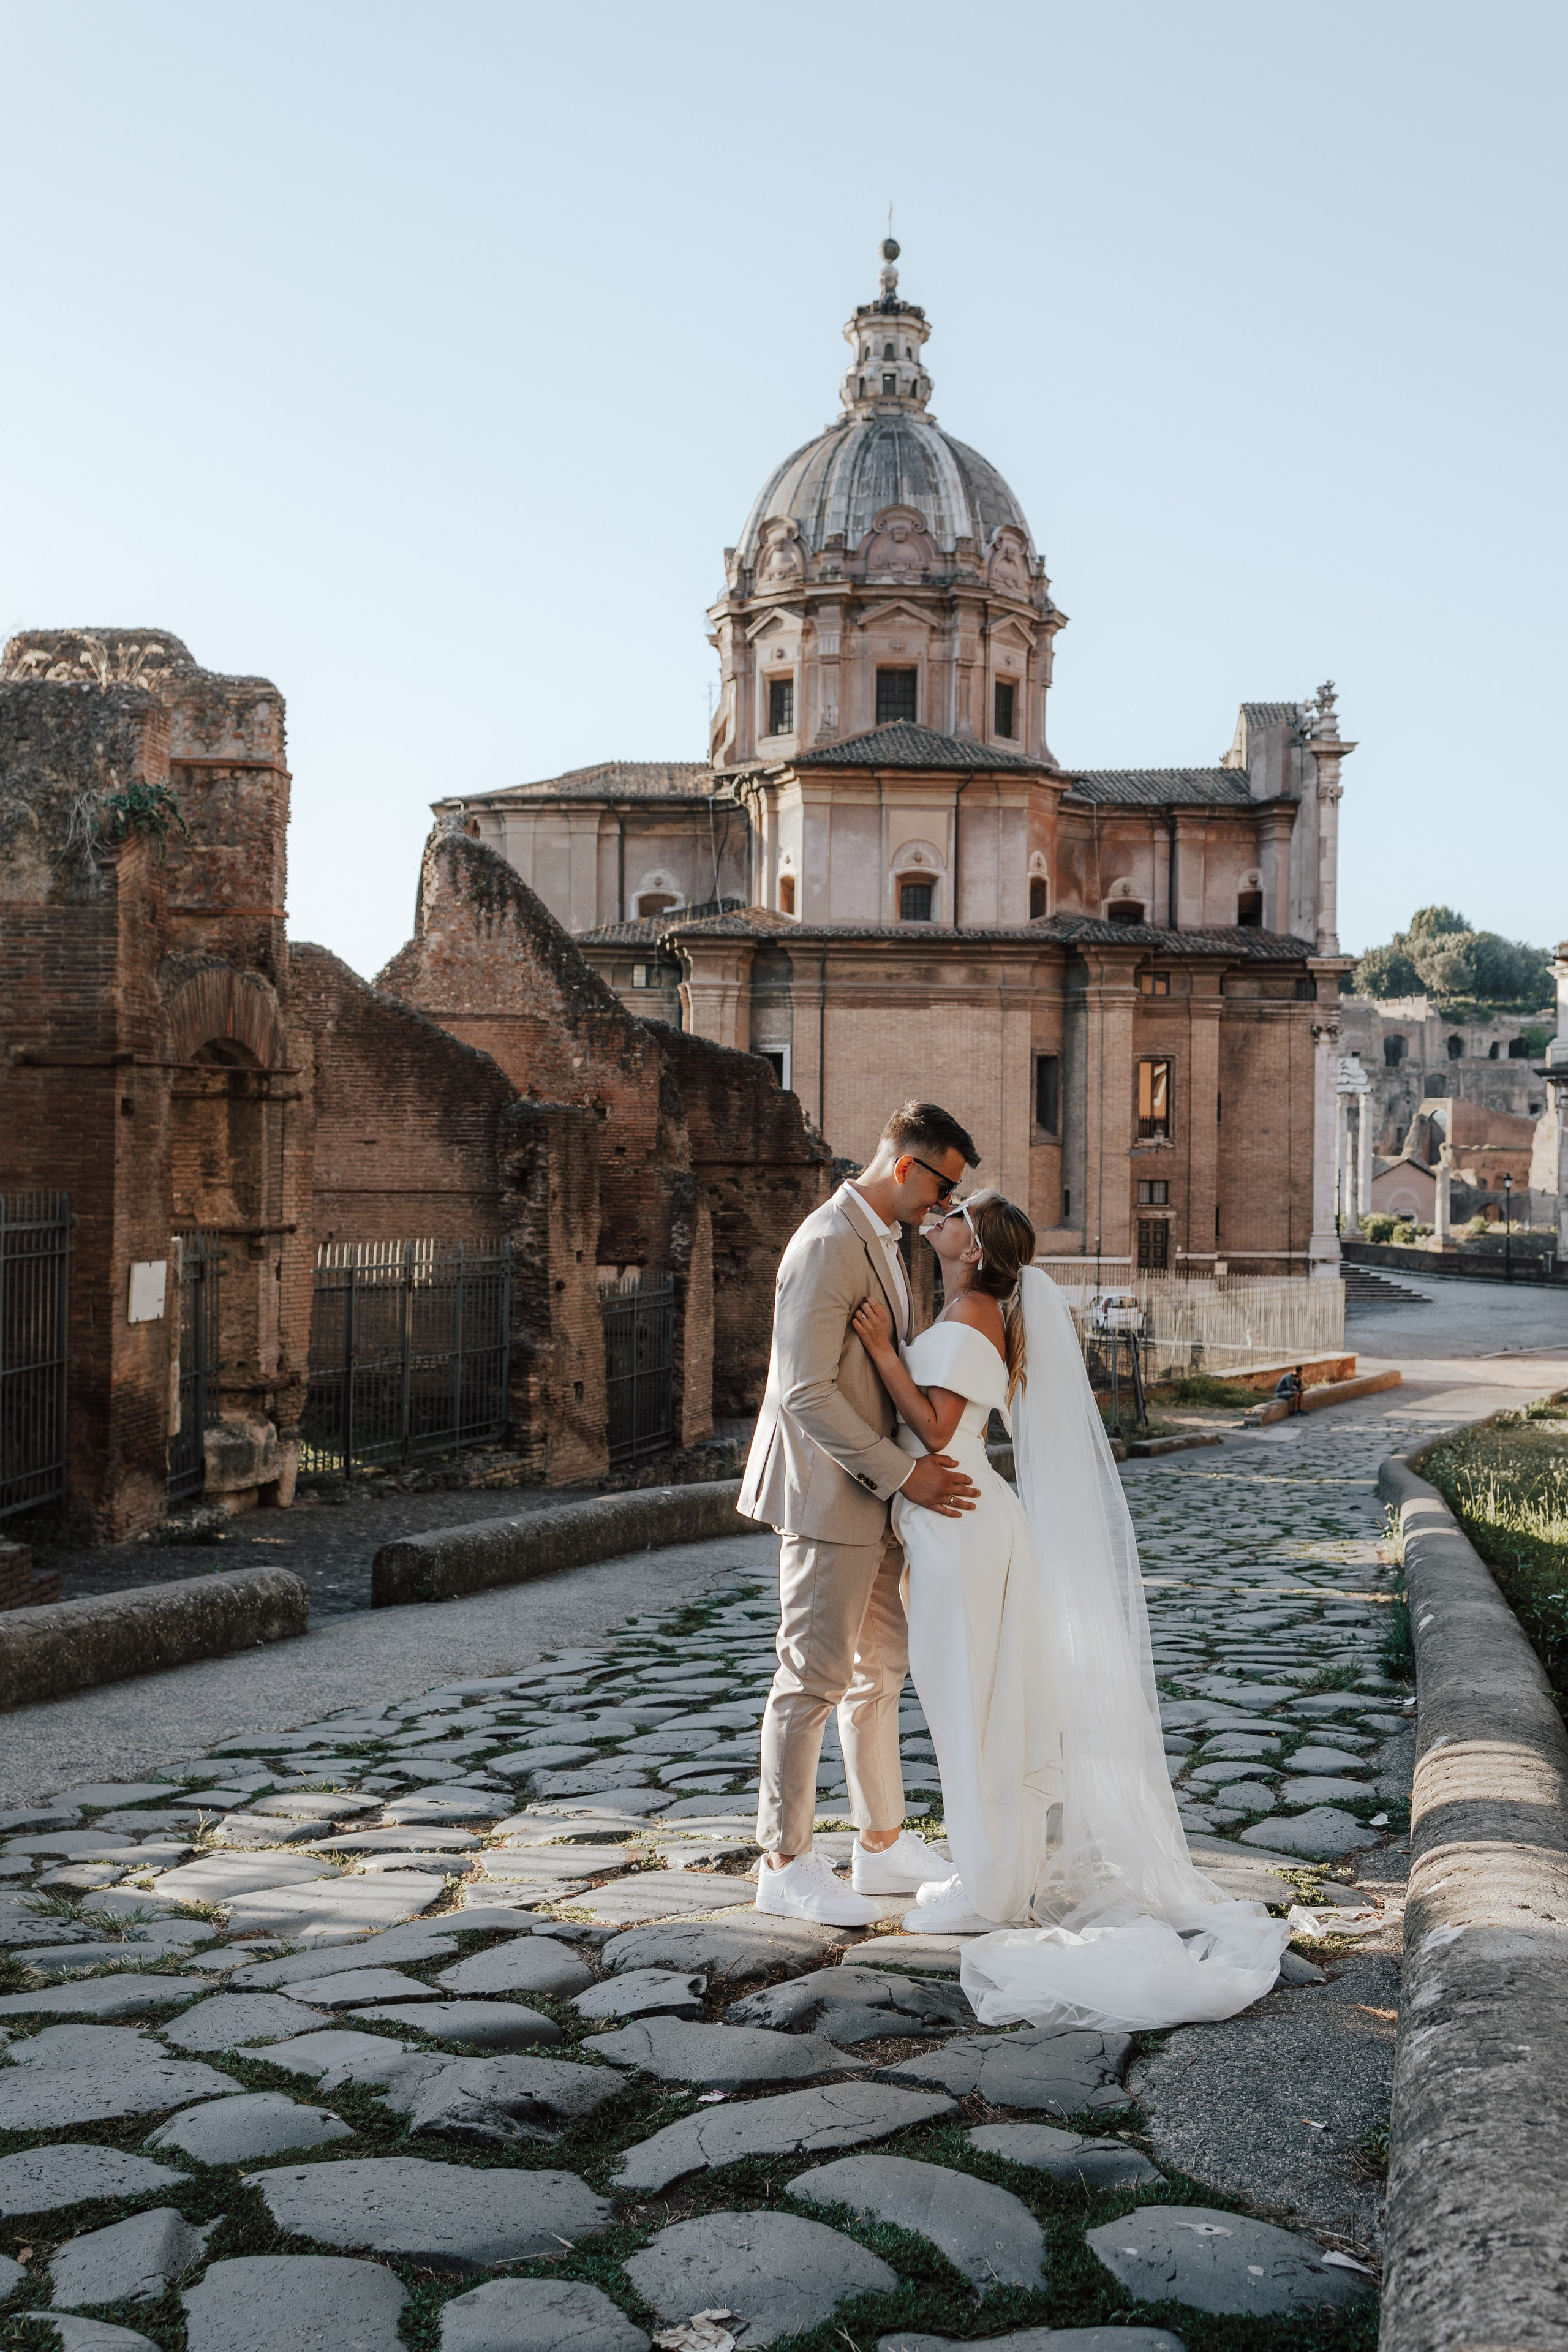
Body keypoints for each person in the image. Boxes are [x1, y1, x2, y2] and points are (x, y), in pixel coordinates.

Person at [851, 1188, 1290, 2030]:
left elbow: (940, 1435)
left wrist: (881, 1354)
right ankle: (994, 1872)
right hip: (963, 1525)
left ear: (973, 1249)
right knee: (980, 1705)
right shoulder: (973, 1307)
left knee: (967, 1706)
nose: (936, 1222)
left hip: (962, 1526)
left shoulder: (974, 1314)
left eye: (952, 1219)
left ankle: (988, 1889)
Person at [741, 1102, 984, 1926]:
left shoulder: (886, 1238)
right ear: (909, 1166)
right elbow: (805, 1391)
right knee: (810, 1677)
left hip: (875, 1498)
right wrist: (903, 1475)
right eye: (944, 1187)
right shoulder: (826, 1242)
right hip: (828, 1490)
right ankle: (784, 1860)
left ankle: (881, 1844)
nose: (944, 1208)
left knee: (880, 1671)